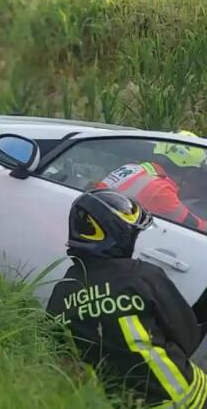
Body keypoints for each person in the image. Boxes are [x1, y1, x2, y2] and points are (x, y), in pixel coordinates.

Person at [48, 189, 206, 408]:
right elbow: (188, 338)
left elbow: (63, 363)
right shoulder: (142, 276)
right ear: (118, 235)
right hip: (188, 398)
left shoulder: (61, 293)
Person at [94, 160, 207, 232]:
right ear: (189, 172)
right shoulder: (161, 191)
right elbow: (195, 226)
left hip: (95, 217)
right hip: (111, 232)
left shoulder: (132, 168)